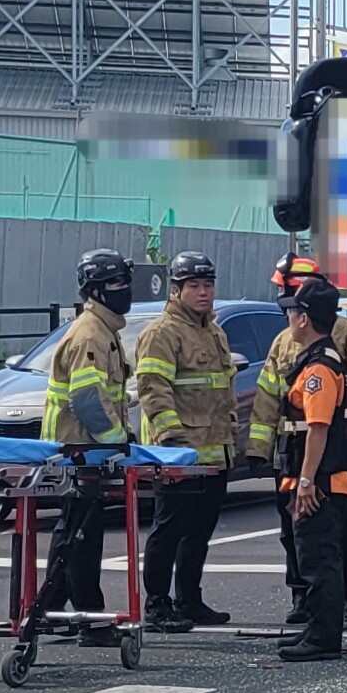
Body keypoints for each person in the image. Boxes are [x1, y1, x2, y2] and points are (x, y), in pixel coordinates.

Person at [248, 252, 347, 625]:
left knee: (337, 531)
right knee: (295, 533)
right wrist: (258, 448)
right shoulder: (283, 341)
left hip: (331, 452)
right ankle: (304, 598)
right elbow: (269, 395)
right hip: (292, 451)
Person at [133, 251, 237, 633]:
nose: (203, 293)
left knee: (199, 532)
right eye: (194, 286)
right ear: (175, 290)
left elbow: (221, 390)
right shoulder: (162, 333)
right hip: (178, 453)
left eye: (208, 285)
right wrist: (171, 444)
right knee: (169, 530)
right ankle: (157, 604)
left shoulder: (214, 331)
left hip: (213, 451)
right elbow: (152, 390)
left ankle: (189, 600)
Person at [38, 248, 135, 648]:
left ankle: (48, 609)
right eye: (116, 284)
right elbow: (88, 401)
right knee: (81, 536)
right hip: (79, 448)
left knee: (74, 531)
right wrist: (117, 442)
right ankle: (90, 620)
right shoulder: (91, 334)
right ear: (95, 290)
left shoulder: (102, 330)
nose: (124, 290)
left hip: (81, 448)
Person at [272, 275, 347, 662]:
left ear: (304, 318)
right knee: (314, 555)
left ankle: (324, 638)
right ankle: (316, 628)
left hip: (322, 480)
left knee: (318, 557)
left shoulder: (319, 369)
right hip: (323, 476)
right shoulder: (318, 361)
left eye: (292, 311)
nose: (289, 318)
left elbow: (318, 427)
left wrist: (306, 481)